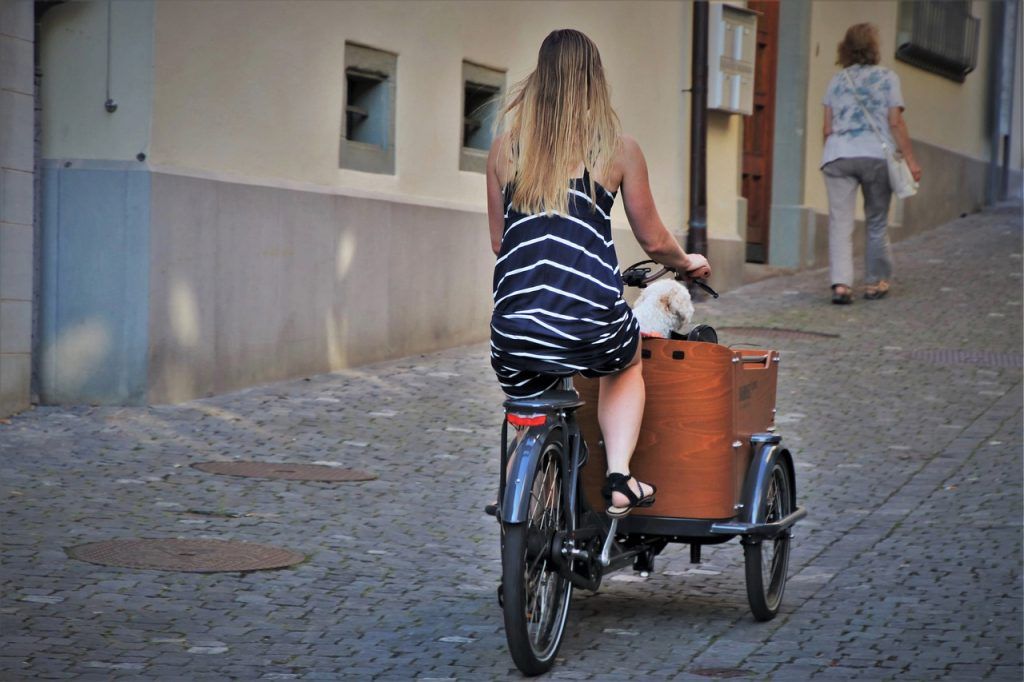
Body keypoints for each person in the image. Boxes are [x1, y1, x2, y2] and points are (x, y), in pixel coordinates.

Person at [486, 29, 710, 517]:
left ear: (539, 81)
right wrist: (685, 262)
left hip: (513, 328)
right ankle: (619, 477)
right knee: (625, 362)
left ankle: (515, 517)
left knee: (529, 413)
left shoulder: (504, 149)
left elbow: (501, 243)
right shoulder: (617, 149)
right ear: (594, 82)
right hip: (589, 322)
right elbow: (652, 240)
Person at [821, 23, 922, 304]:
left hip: (838, 155)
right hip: (876, 155)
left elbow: (827, 128)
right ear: (874, 47)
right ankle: (874, 282)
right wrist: (911, 160)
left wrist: (829, 154)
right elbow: (895, 122)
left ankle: (841, 285)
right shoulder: (888, 78)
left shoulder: (837, 81)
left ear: (846, 48)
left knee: (840, 222)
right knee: (876, 221)